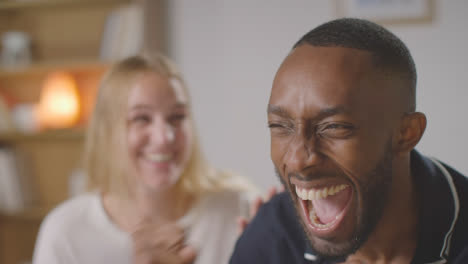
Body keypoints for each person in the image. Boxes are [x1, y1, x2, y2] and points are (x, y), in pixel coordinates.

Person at [230, 18, 468, 264]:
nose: (298, 160)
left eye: (333, 127)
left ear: (406, 133)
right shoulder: (274, 235)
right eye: (280, 126)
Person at [33, 53, 259, 264]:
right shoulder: (65, 232)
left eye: (177, 117)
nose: (164, 137)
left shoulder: (238, 209)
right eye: (141, 118)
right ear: (108, 130)